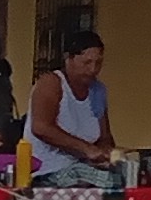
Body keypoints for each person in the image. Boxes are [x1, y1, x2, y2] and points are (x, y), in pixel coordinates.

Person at [23, 30, 120, 187]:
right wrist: (86, 149)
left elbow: (105, 137)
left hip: (83, 167)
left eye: (98, 63)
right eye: (87, 63)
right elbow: (41, 128)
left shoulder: (98, 90)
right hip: (48, 171)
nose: (93, 69)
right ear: (68, 58)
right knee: (110, 183)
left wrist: (106, 153)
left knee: (125, 178)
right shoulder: (51, 83)